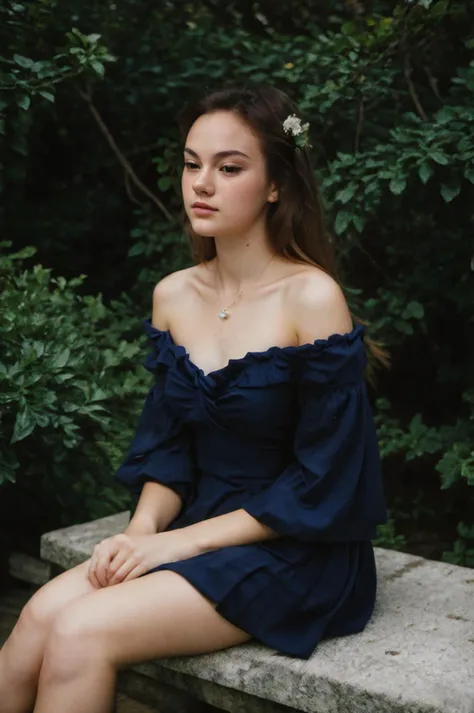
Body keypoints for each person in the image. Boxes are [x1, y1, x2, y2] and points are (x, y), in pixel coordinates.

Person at [0, 83, 388, 713]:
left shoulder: (310, 300)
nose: (201, 183)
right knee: (37, 620)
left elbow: (327, 480)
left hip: (295, 547)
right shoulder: (174, 295)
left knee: (80, 632)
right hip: (197, 524)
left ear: (275, 186)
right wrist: (141, 531)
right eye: (191, 163)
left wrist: (175, 544)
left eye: (228, 168)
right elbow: (170, 447)